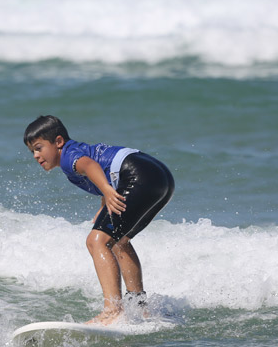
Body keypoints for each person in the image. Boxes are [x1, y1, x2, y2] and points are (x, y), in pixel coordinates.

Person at [23, 115, 174, 325]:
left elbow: (90, 166)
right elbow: (110, 169)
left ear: (58, 142)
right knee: (119, 241)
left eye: (39, 148)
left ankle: (113, 310)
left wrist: (107, 191)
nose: (35, 155)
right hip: (159, 176)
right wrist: (105, 203)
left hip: (139, 175)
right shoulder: (76, 150)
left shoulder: (68, 157)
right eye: (32, 151)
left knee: (96, 241)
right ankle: (139, 308)